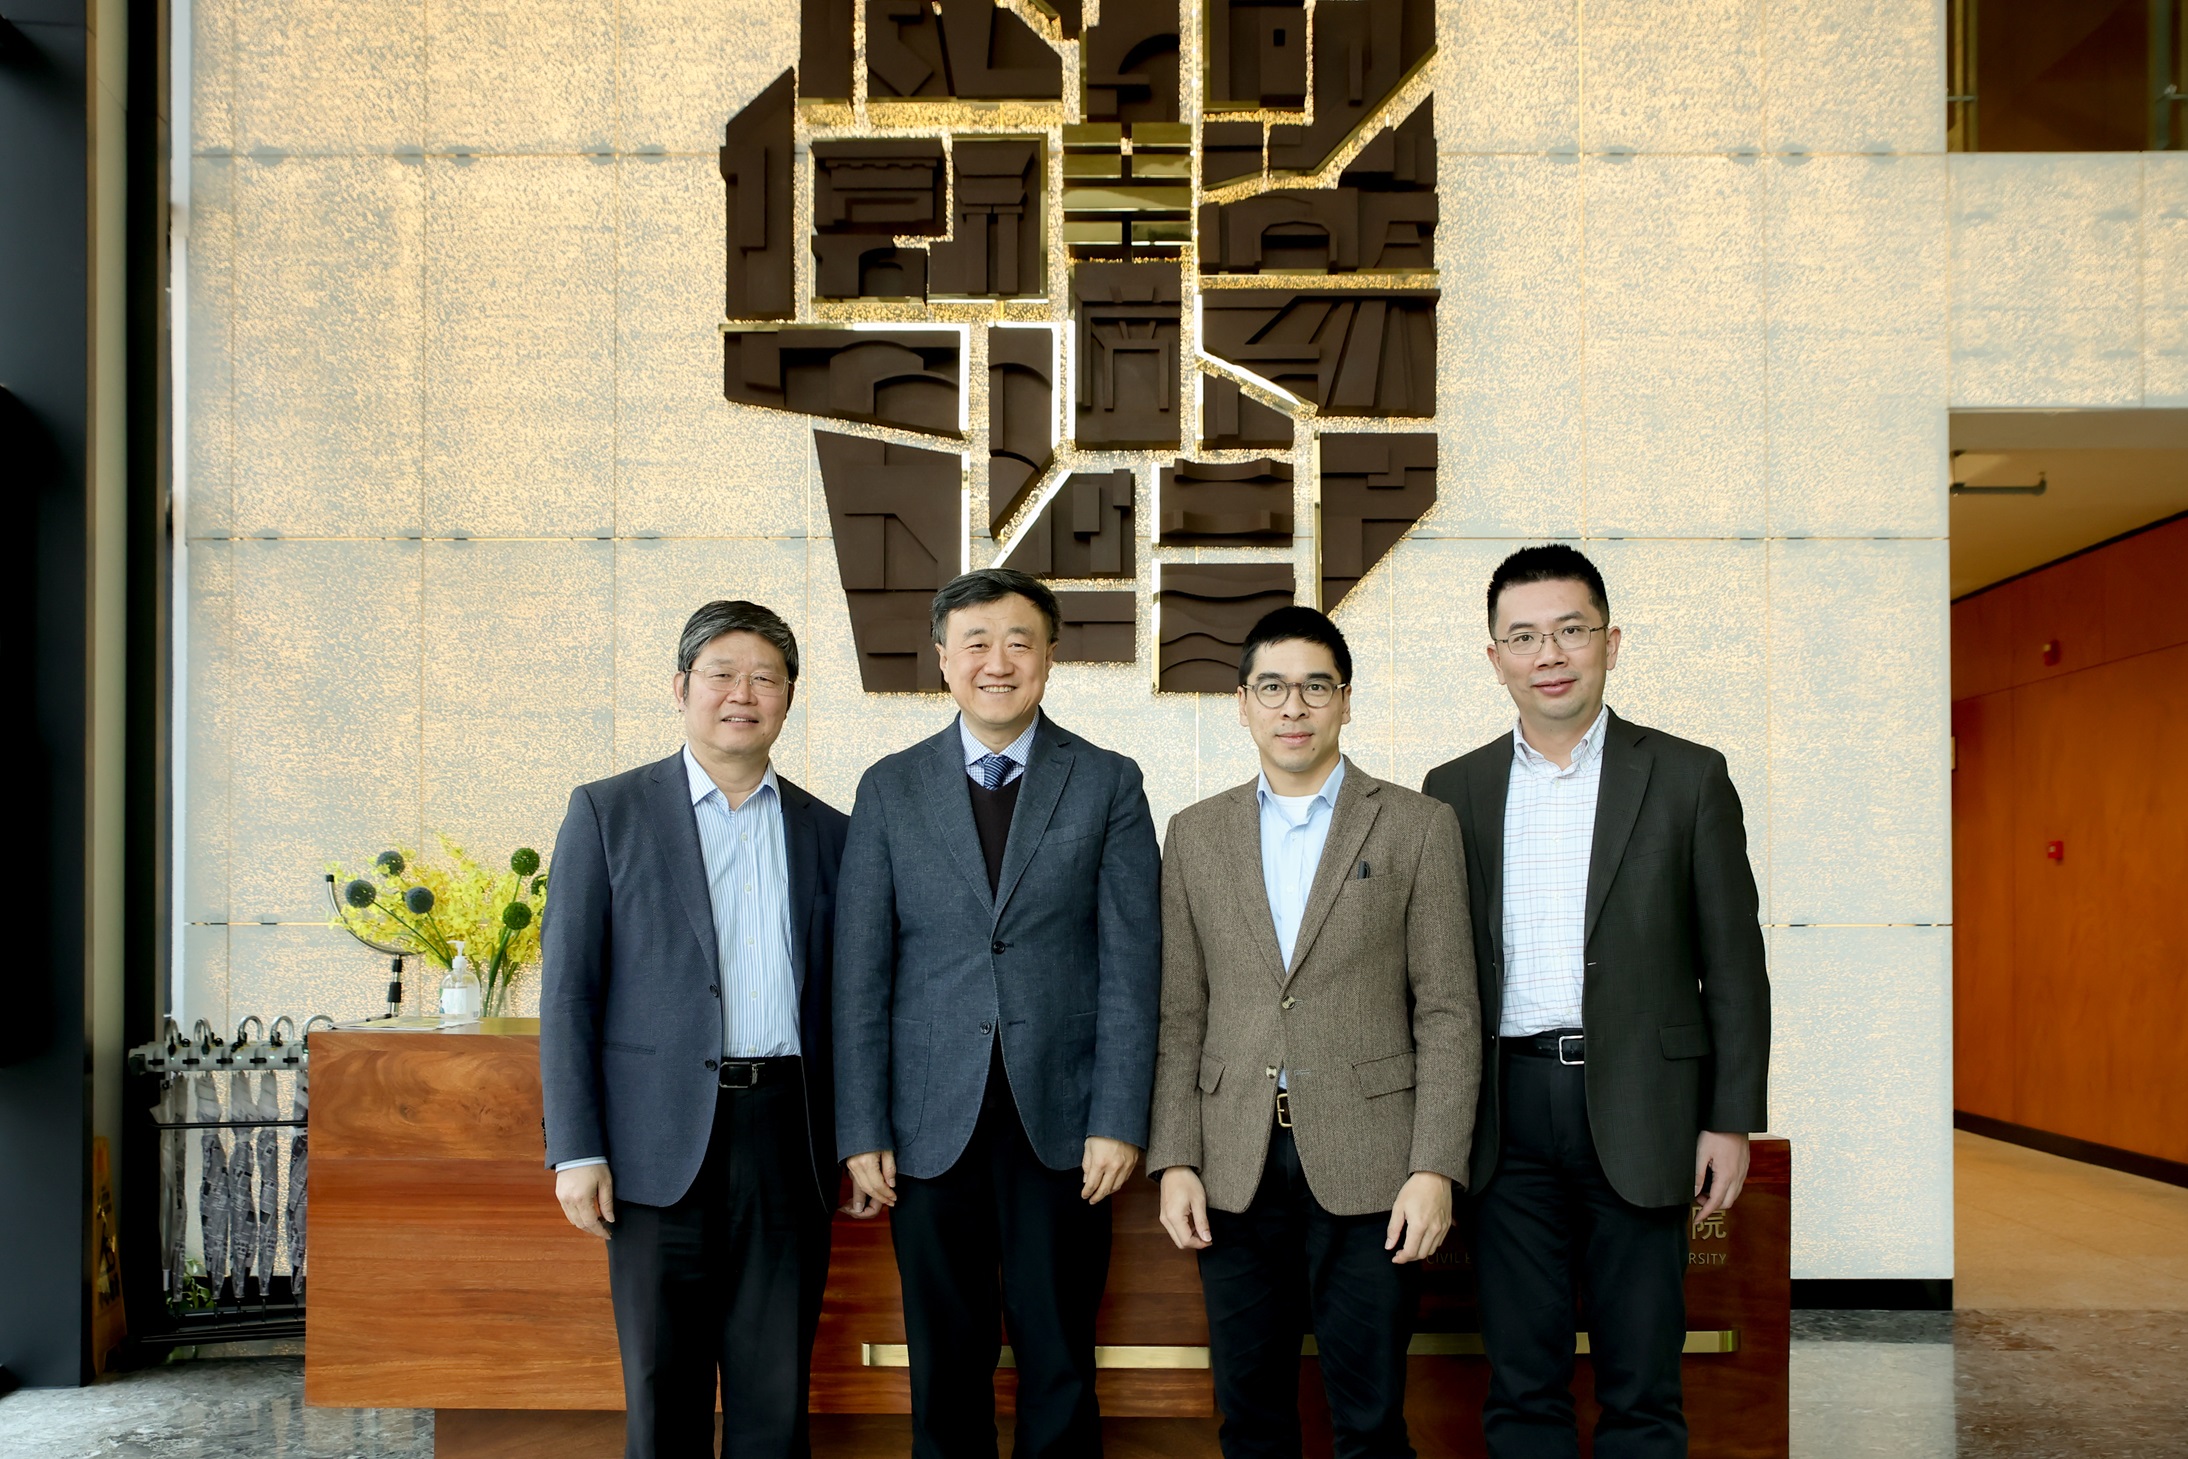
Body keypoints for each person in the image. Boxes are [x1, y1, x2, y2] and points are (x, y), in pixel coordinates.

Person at [1420, 546, 1771, 1459]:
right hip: (1505, 1109)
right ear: (1493, 655)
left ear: (1610, 642)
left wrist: (1732, 1118)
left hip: (1644, 1105)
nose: (1550, 653)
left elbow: (1734, 963)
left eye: (1571, 630)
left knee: (1643, 1380)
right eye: (1524, 635)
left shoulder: (1689, 776)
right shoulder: (1451, 791)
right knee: (1522, 1376)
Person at [833, 567, 1162, 1459]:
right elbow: (860, 974)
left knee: (1059, 1347)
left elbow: (1134, 968)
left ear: (1051, 657)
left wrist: (1118, 1117)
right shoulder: (891, 788)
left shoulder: (1107, 782)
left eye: (1019, 641)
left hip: (1061, 1118)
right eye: (975, 642)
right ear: (943, 660)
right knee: (947, 1351)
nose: (997, 661)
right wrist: (861, 1125)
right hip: (927, 1120)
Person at [1147, 605, 1481, 1459]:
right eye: (1273, 687)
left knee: (1369, 1419)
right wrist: (1176, 1157)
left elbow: (1447, 1009)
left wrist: (1435, 1166)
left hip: (1375, 1164)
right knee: (1249, 1416)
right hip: (1234, 1164)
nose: (1293, 706)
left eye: (1314, 686)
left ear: (1344, 700)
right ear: (1243, 702)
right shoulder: (1193, 833)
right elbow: (1180, 1011)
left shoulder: (1415, 824)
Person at [540, 600, 850, 1459]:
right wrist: (575, 1147)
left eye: (765, 677)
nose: (741, 694)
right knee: (661, 1387)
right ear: (681, 687)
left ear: (788, 697)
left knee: (774, 1391)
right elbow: (569, 993)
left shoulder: (831, 833)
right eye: (721, 673)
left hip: (788, 1138)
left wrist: (856, 1138)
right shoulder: (608, 813)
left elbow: (848, 1005)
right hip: (653, 1144)